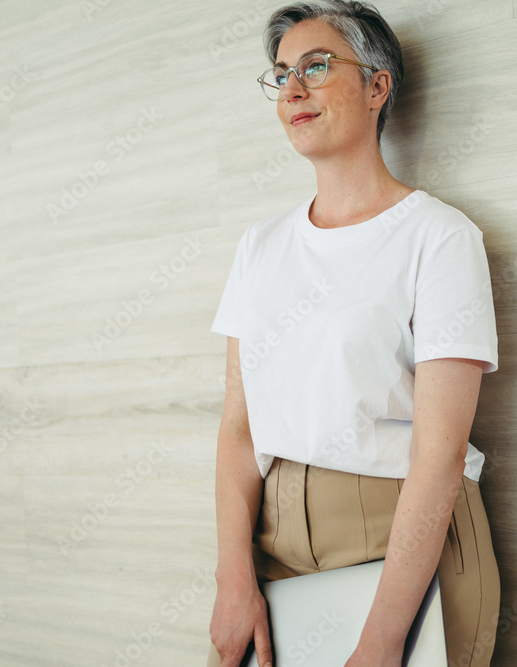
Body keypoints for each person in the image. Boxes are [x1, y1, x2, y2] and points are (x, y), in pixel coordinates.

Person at [207, 2, 500, 665]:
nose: (293, 89)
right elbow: (238, 430)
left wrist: (382, 640)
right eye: (280, 75)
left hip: (405, 544)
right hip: (274, 540)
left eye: (315, 66)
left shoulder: (440, 238)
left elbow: (440, 451)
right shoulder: (259, 247)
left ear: (377, 86)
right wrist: (232, 576)